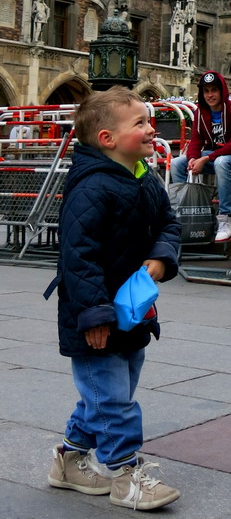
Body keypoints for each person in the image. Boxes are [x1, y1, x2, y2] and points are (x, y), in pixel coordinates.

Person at [43, 87, 181, 510]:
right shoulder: (91, 187)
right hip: (95, 317)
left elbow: (169, 225)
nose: (150, 127)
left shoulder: (144, 177)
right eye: (139, 122)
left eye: (148, 119)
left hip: (132, 312)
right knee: (113, 399)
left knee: (106, 394)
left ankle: (68, 461)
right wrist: (95, 315)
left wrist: (161, 258)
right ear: (107, 139)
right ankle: (124, 473)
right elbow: (78, 258)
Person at [170, 71, 231, 242]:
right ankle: (185, 213)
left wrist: (205, 159)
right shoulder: (201, 113)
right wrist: (194, 158)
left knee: (221, 162)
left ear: (222, 91)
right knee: (177, 163)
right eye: (206, 91)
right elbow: (196, 141)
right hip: (214, 156)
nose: (210, 95)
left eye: (214, 90)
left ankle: (225, 217)